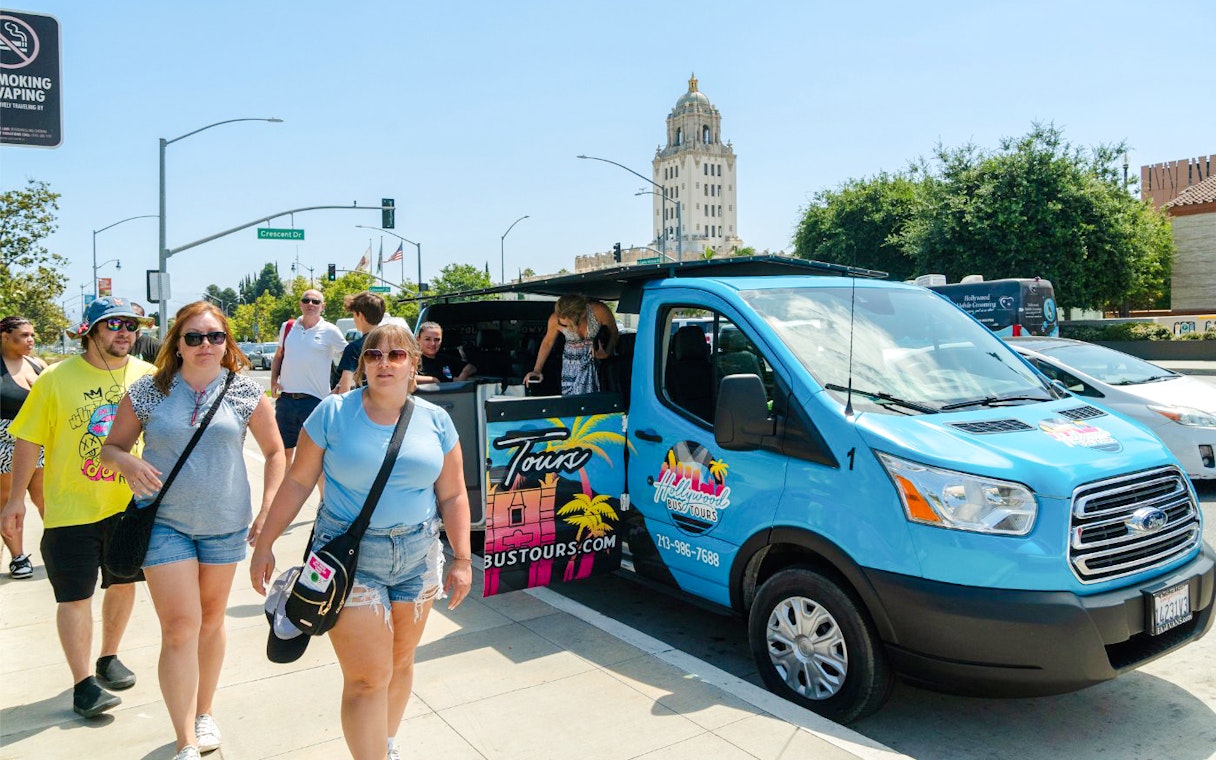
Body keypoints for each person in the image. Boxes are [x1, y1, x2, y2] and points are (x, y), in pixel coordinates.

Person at [251, 323, 472, 760]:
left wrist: (461, 558)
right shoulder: (334, 412)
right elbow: (297, 482)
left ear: (413, 363)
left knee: (400, 663)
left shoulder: (436, 420)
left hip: (417, 555)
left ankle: (383, 745)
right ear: (362, 362)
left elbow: (453, 493)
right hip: (347, 559)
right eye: (374, 355)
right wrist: (266, 542)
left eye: (396, 355)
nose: (384, 363)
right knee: (368, 678)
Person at [101, 301, 285, 760]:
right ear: (177, 344)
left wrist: (266, 512)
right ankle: (185, 739)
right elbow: (111, 448)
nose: (206, 345)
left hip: (225, 526)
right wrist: (127, 461)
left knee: (210, 621)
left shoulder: (244, 392)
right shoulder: (148, 392)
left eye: (215, 337)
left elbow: (277, 453)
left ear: (227, 343)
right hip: (164, 522)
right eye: (195, 337)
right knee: (181, 627)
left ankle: (205, 711)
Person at [0, 297, 154, 719]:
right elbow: (28, 438)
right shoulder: (54, 379)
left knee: (123, 584)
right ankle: (83, 683)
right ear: (89, 330)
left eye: (131, 325)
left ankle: (109, 656)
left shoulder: (150, 377)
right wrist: (16, 499)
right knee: (75, 597)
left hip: (130, 507)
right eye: (113, 324)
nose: (124, 332)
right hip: (70, 510)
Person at [269, 288, 345, 474]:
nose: (310, 304)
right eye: (306, 300)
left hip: (315, 401)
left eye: (316, 301)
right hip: (286, 399)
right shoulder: (287, 327)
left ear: (322, 306)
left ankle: (323, 500)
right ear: (300, 303)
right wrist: (273, 381)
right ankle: (283, 495)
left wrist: (340, 387)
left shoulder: (330, 331)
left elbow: (349, 357)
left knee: (316, 455)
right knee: (283, 452)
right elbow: (279, 356)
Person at [1, 315, 48, 579]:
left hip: (40, 441)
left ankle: (60, 548)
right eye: (24, 335)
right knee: (9, 501)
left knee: (47, 499)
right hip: (5, 443)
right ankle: (18, 557)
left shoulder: (37, 364)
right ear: (5, 336)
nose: (30, 340)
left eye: (32, 335)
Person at [525, 294, 618, 395]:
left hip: (596, 363)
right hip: (571, 365)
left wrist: (607, 352)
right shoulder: (554, 319)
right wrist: (537, 370)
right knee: (572, 399)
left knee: (597, 397)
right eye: (563, 325)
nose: (567, 328)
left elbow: (614, 332)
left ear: (582, 314)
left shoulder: (599, 311)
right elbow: (548, 342)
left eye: (570, 324)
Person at [334, 291, 387, 393]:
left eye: (354, 315)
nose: (354, 319)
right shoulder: (392, 343)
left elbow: (345, 388)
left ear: (361, 316)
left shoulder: (355, 348)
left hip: (365, 404)